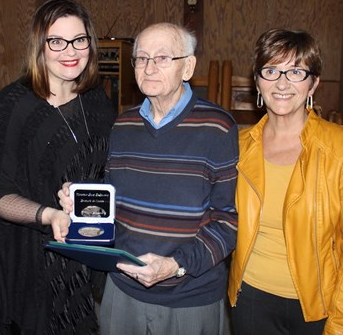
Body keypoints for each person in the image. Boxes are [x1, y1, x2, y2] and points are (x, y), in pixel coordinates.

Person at [59, 22, 239, 334]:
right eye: (141, 59)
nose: (149, 67)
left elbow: (228, 221)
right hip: (123, 290)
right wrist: (81, 199)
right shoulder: (123, 125)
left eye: (162, 58)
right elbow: (115, 198)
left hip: (190, 297)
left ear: (188, 67)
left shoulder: (218, 127)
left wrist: (175, 265)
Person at [228, 28, 343, 334]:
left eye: (296, 72)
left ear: (314, 83)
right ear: (257, 81)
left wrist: (341, 327)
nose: (282, 83)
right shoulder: (237, 145)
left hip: (317, 306)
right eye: (271, 71)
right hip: (250, 298)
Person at [0, 0, 115, 335]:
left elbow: (106, 171)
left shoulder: (97, 99)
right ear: (40, 46)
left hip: (85, 254)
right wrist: (47, 214)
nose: (70, 50)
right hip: (33, 262)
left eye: (79, 40)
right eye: (57, 41)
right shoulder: (13, 104)